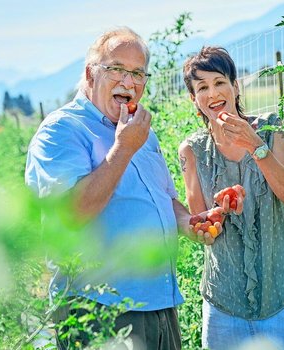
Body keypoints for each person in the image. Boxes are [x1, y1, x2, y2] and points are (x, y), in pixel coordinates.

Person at [25, 27, 216, 350]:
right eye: (117, 69)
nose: (129, 82)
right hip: (98, 309)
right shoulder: (62, 130)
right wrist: (123, 149)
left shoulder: (138, 130)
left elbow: (163, 198)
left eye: (138, 73)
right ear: (90, 74)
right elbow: (70, 213)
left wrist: (188, 222)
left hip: (158, 305)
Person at [178, 46, 284, 350]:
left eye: (219, 82)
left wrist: (255, 145)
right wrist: (218, 213)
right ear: (194, 99)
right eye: (202, 87)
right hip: (225, 303)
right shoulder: (192, 151)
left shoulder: (269, 128)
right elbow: (202, 231)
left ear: (235, 86)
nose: (213, 92)